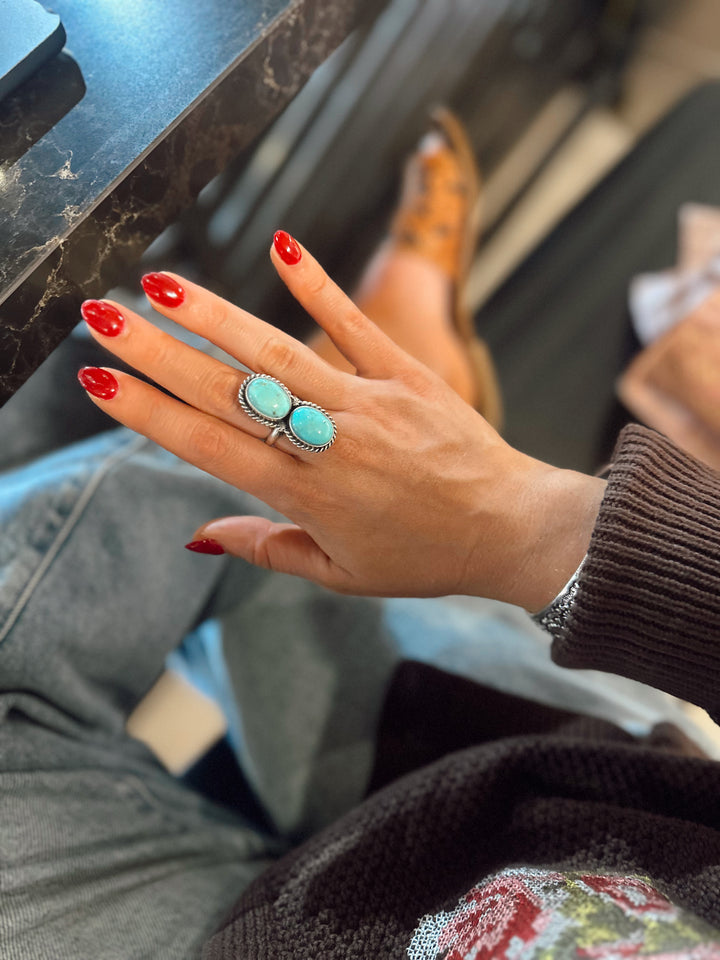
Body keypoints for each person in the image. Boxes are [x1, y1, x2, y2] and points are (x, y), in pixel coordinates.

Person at [2, 113, 720, 960]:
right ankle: (385, 383)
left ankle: (387, 370)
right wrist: (525, 525)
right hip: (545, 783)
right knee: (276, 514)